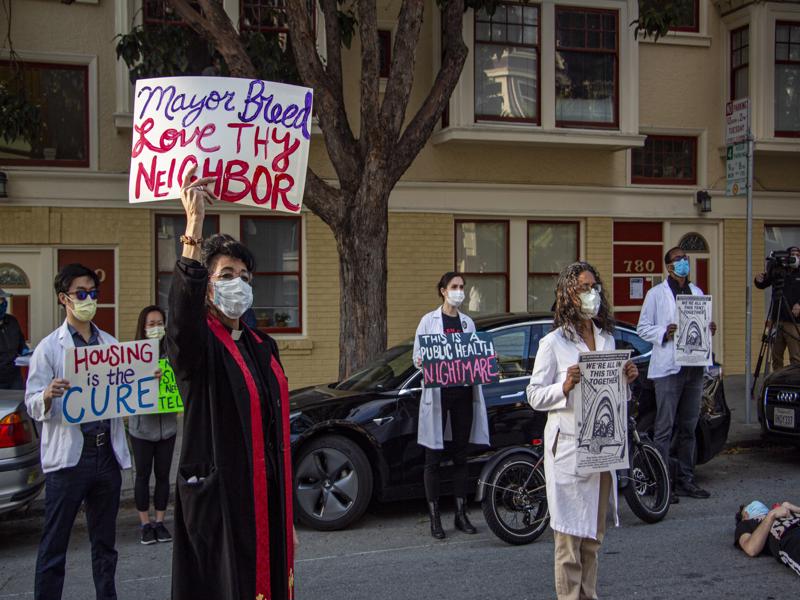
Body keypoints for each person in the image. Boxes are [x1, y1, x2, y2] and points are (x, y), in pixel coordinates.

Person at [168, 166, 295, 600]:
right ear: (207, 287)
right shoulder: (199, 348)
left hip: (267, 497)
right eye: (225, 276)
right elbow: (181, 323)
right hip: (222, 500)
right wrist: (193, 228)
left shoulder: (262, 345)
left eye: (243, 275)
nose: (237, 284)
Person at [527, 262, 638, 600]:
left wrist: (627, 380)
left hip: (602, 449)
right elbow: (534, 395)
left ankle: (589, 595)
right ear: (568, 295)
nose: (592, 294)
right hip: (569, 450)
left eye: (594, 287)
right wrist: (564, 385)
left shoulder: (607, 338)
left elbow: (613, 396)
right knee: (568, 541)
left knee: (593, 537)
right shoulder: (553, 343)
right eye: (584, 288)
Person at [25, 264, 132, 600]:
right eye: (80, 294)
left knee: (105, 545)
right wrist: (46, 394)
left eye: (93, 293)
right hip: (69, 460)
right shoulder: (48, 348)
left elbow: (124, 390)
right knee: (55, 543)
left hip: (105, 456)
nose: (88, 299)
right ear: (64, 299)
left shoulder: (111, 345)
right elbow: (30, 402)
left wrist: (145, 380)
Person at [412, 272, 490, 539]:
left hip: (463, 395)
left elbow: (474, 357)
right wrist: (425, 360)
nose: (459, 291)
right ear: (443, 291)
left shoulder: (468, 323)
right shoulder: (428, 321)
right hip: (439, 394)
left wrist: (486, 359)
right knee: (433, 455)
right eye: (454, 287)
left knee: (460, 454)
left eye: (462, 287)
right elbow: (417, 357)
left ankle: (460, 513)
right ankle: (435, 517)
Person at [637, 247, 717, 502]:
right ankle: (663, 482)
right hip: (668, 369)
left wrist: (708, 329)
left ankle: (686, 480)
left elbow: (700, 326)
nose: (684, 262)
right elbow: (642, 328)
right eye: (678, 259)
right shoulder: (656, 294)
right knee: (664, 428)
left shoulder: (697, 293)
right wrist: (664, 332)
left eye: (686, 258)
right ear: (668, 266)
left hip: (693, 367)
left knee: (689, 427)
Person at [128, 305, 177, 545]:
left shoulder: (173, 352)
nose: (156, 328)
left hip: (167, 427)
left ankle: (160, 521)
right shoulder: (133, 356)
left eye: (160, 323)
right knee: (143, 475)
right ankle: (145, 523)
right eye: (151, 324)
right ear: (143, 327)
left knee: (163, 475)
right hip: (141, 428)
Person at [754, 246, 800, 372]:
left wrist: (799, 304)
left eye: (797, 254)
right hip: (777, 319)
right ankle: (777, 381)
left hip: (794, 322)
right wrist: (758, 280)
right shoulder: (779, 271)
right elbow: (763, 283)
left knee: (795, 357)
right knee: (776, 355)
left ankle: (795, 382)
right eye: (792, 254)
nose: (795, 257)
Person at [735, 500, 800, 576]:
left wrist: (795, 509)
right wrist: (771, 515)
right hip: (791, 538)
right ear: (744, 517)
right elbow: (751, 549)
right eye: (747, 509)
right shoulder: (746, 524)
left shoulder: (783, 511)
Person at [0, 288, 28, 389]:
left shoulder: (12, 321)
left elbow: (21, 342)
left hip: (15, 377)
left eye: (2, 300)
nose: (2, 303)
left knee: (19, 402)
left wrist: (25, 351)